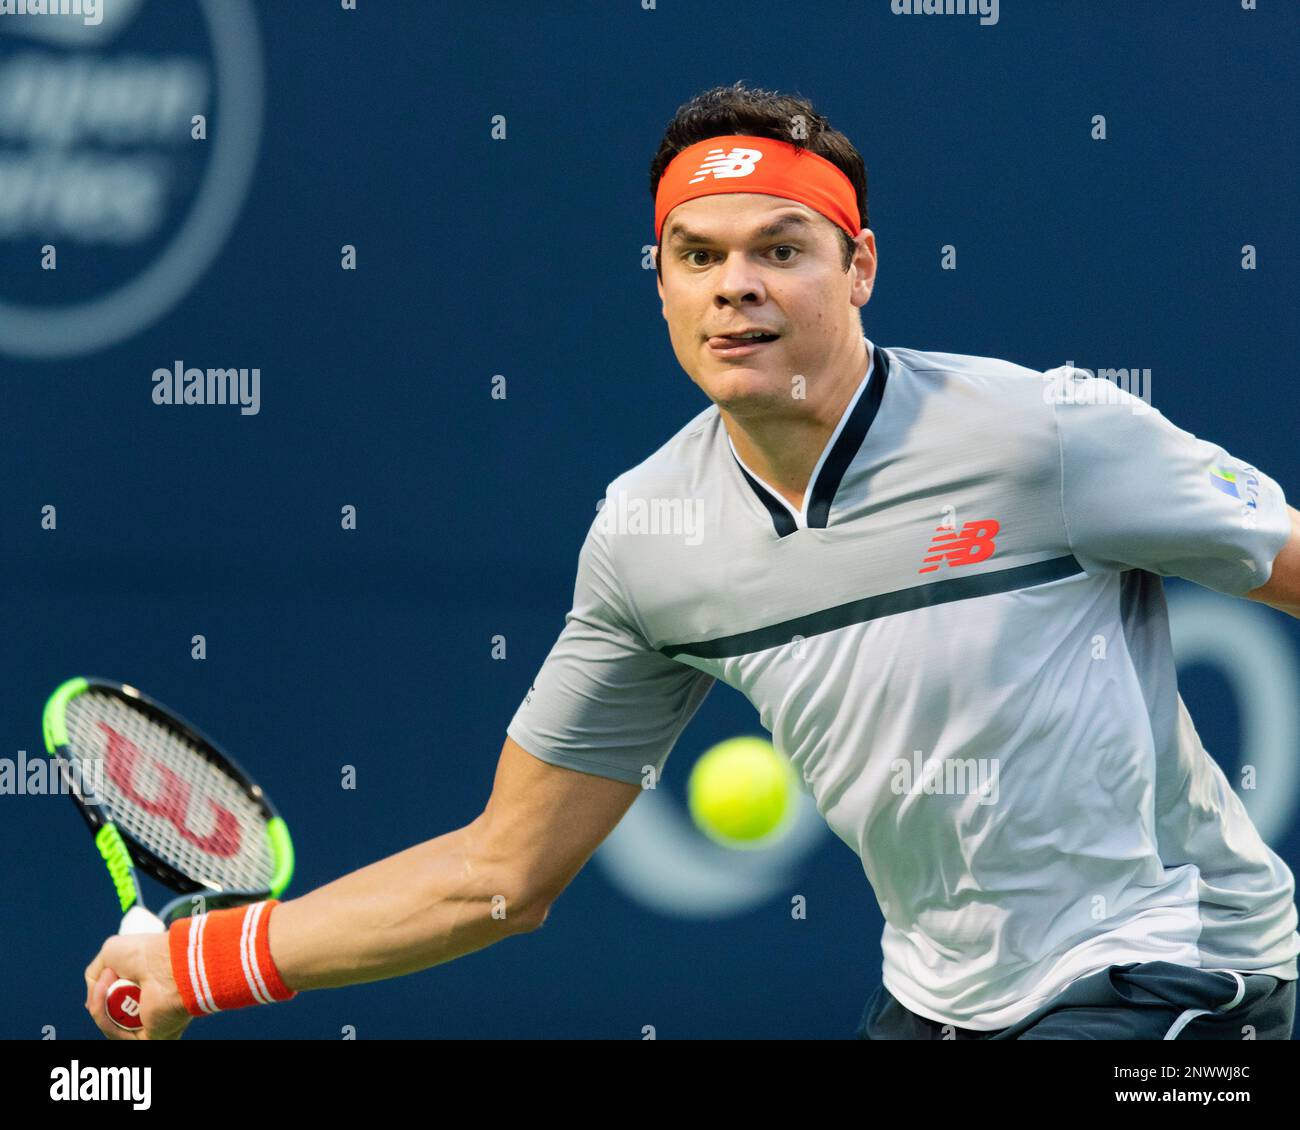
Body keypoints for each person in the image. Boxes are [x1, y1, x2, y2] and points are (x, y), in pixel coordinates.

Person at [85, 81, 1300, 1041]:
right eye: (698, 254)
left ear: (859, 267)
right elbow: (500, 872)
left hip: (1181, 968)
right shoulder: (648, 538)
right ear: (660, 283)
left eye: (782, 249)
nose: (738, 288)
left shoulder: (1046, 436)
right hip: (939, 1000)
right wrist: (199, 962)